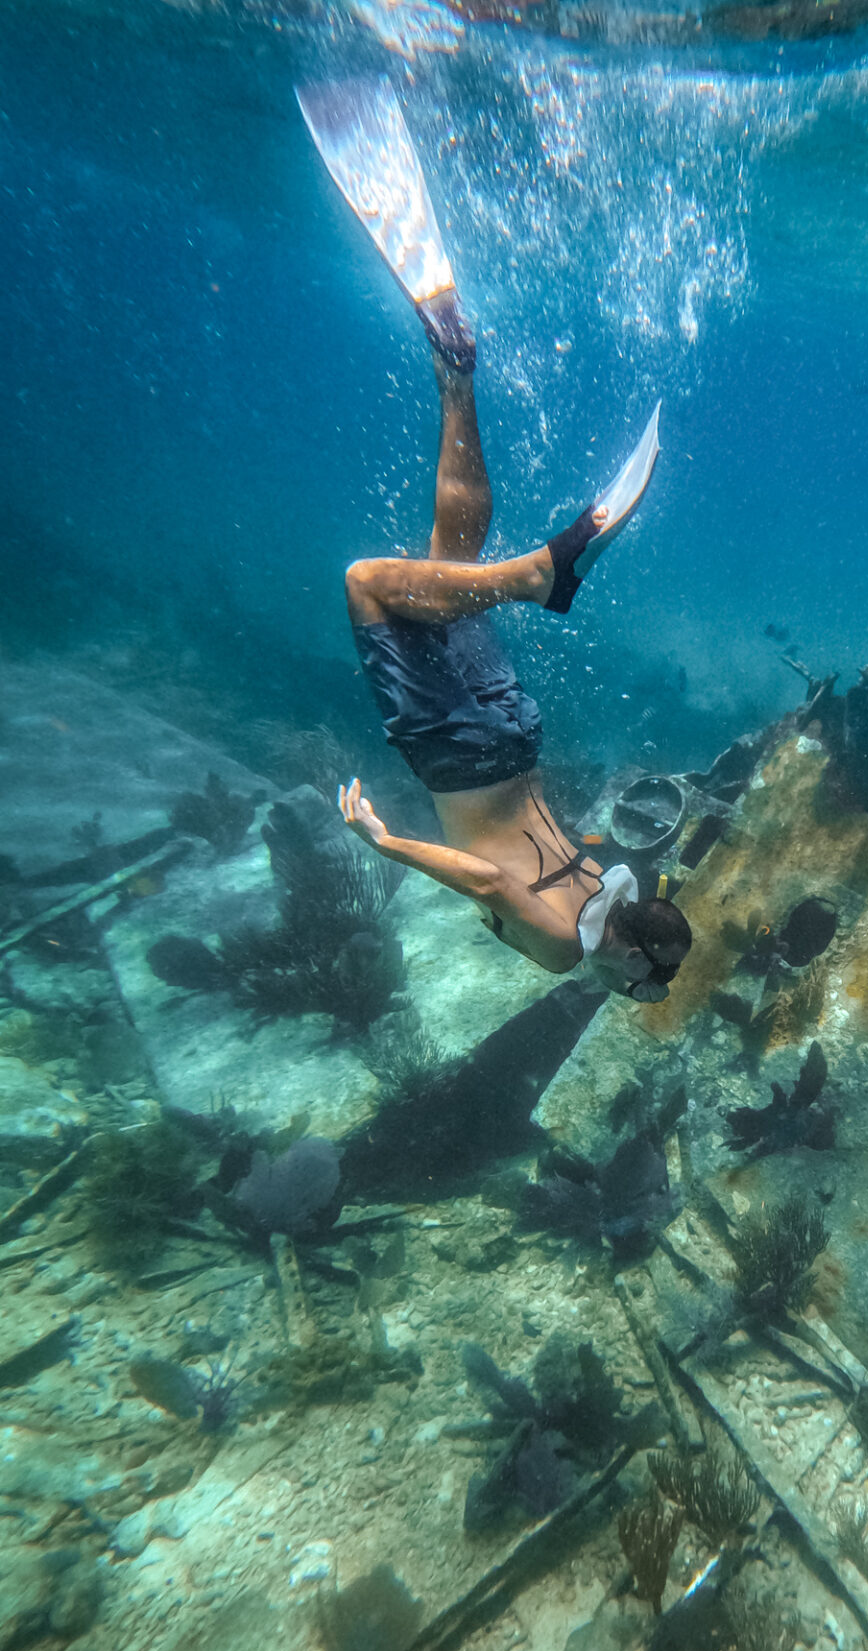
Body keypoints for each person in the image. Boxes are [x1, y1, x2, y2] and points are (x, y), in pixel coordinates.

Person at [302, 83, 691, 1004]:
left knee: (446, 564)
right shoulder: (566, 949)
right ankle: (536, 576)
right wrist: (383, 844)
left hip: (512, 735)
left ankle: (454, 370)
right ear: (627, 959)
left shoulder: (612, 882)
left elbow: (545, 845)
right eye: (646, 986)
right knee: (369, 583)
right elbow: (485, 880)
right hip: (457, 755)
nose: (641, 994)